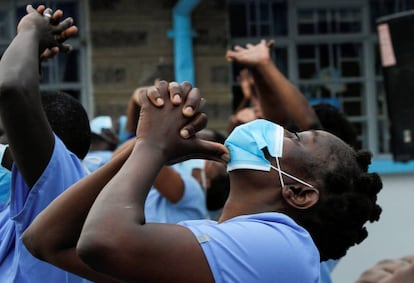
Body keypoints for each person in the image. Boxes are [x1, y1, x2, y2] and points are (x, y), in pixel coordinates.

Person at [23, 79, 382, 282]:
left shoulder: (287, 247)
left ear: (299, 193)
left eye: (296, 138)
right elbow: (45, 240)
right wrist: (145, 152)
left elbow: (102, 242)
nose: (280, 130)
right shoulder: (216, 248)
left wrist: (149, 146)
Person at [225, 39, 360, 283]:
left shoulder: (283, 245)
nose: (275, 135)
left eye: (295, 137)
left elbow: (309, 124)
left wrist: (265, 65)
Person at [0, 5, 110, 282]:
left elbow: (12, 89)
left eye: (7, 137)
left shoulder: (56, 181)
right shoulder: (22, 205)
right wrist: (31, 60)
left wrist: (30, 30)